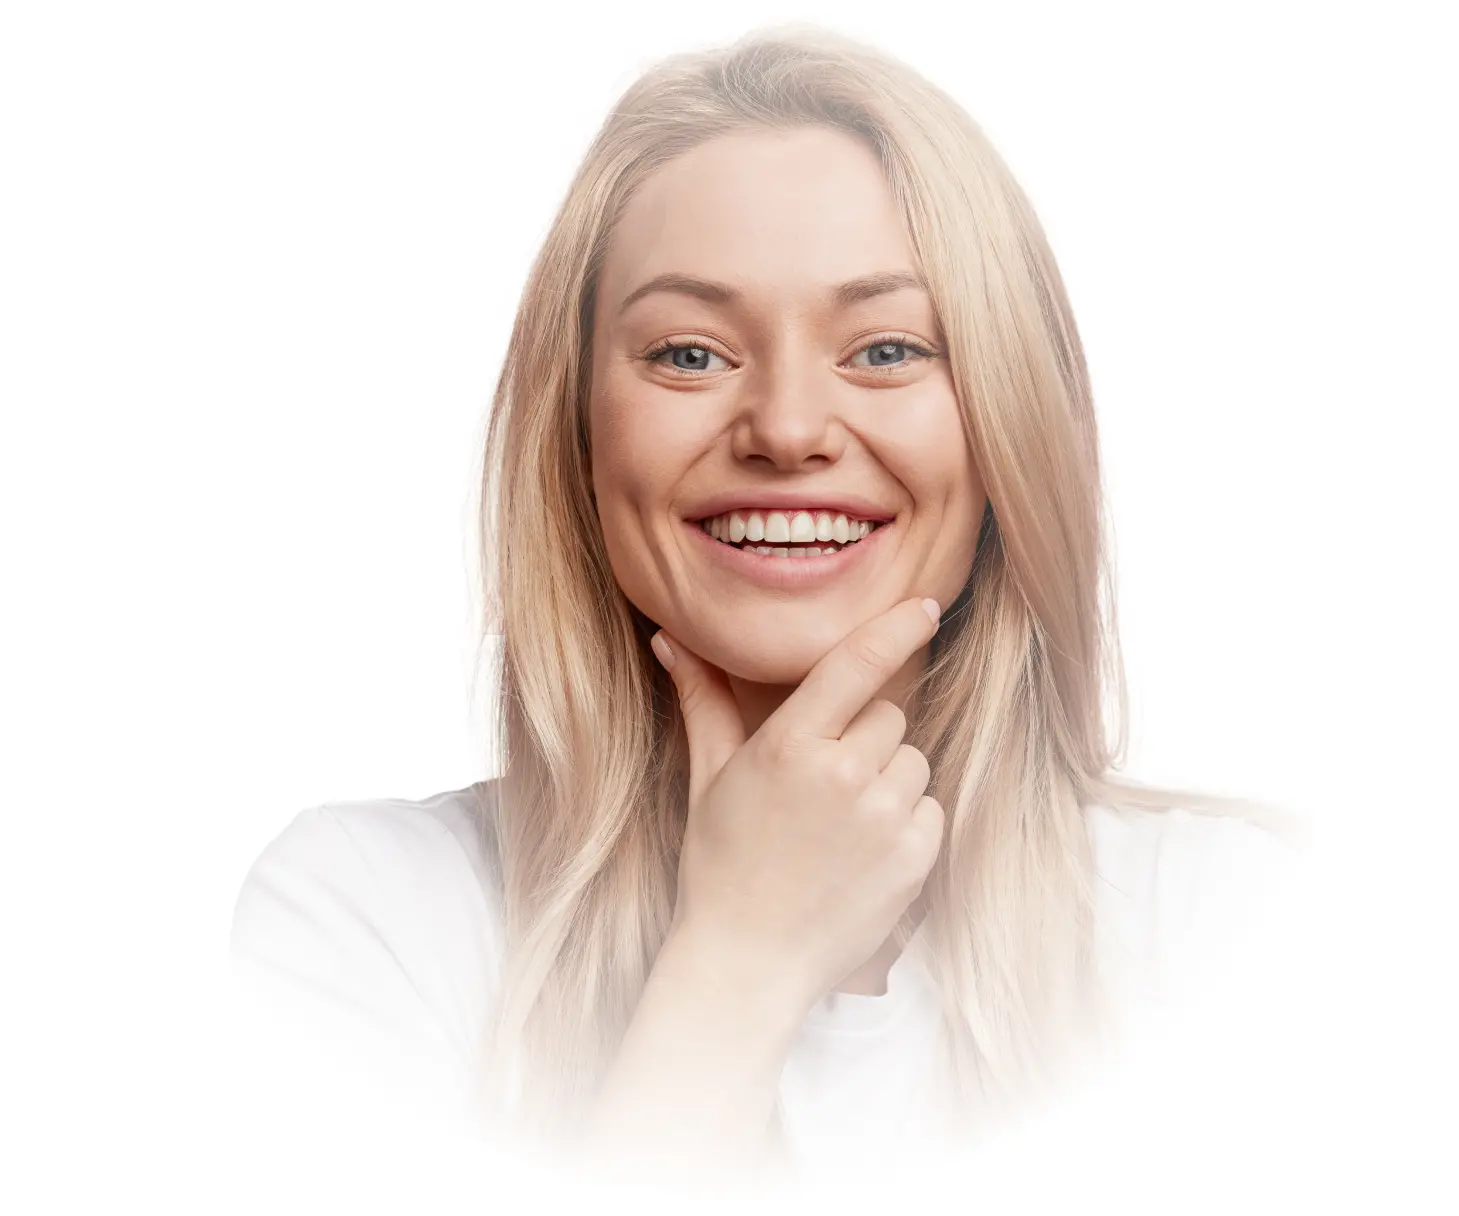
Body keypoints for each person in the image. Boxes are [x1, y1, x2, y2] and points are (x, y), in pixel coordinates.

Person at [229, 22, 1301, 1195]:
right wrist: (738, 961)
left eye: (887, 348)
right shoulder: (366, 919)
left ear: (1007, 427)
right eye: (689, 354)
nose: (787, 428)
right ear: (575, 428)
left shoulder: (1235, 927)